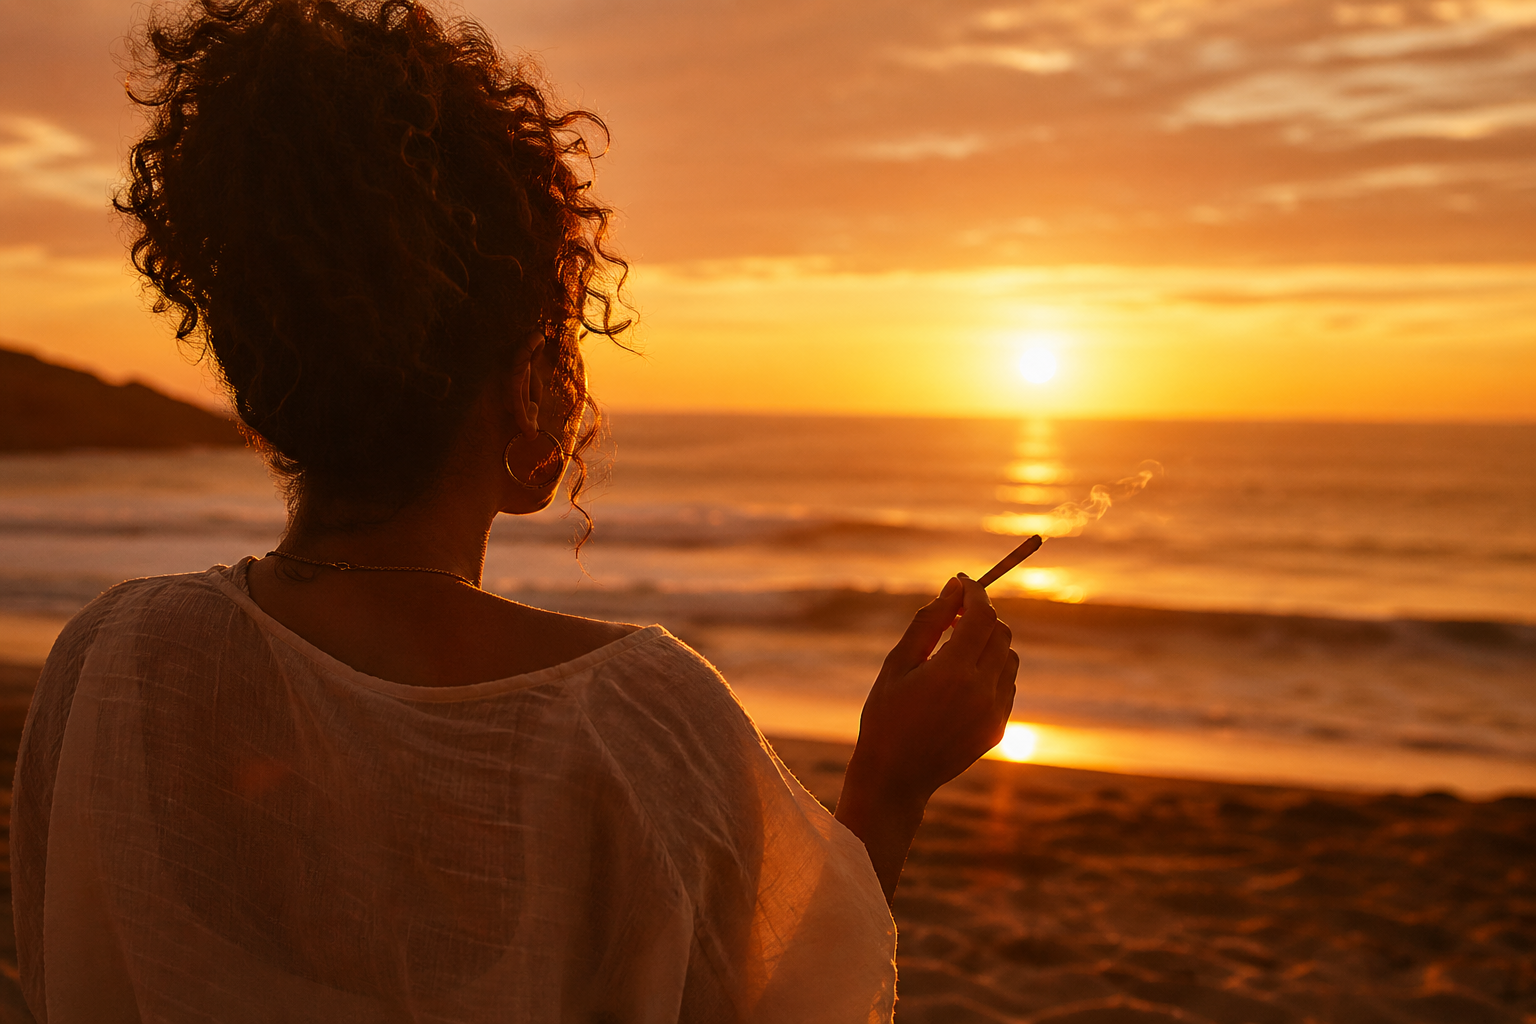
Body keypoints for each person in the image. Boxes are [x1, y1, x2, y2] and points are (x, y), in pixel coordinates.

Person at [10, 1, 1019, 1020]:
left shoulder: (111, 665)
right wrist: (888, 786)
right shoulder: (636, 720)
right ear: (522, 386)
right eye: (556, 334)